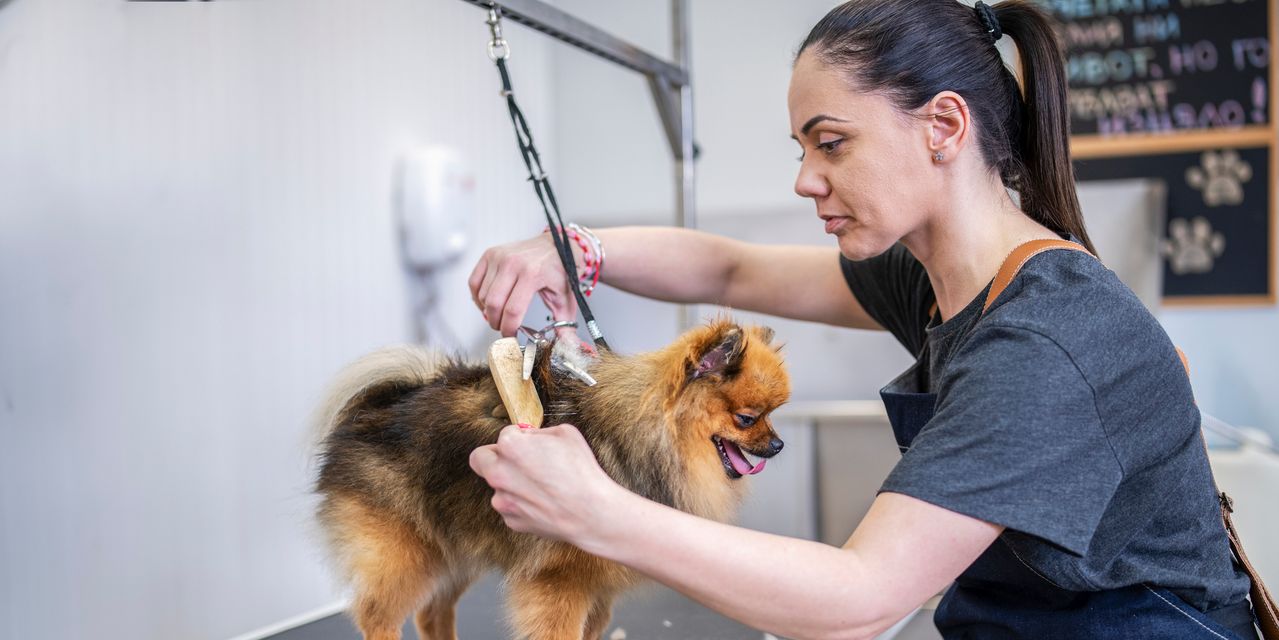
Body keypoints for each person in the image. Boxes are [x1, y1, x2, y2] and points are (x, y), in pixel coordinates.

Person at [466, 1, 1261, 637]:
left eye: (831, 144)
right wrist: (576, 249)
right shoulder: (937, 279)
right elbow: (731, 270)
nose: (805, 180)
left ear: (943, 126)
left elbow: (859, 599)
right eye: (802, 149)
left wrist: (597, 511)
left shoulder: (1042, 341)